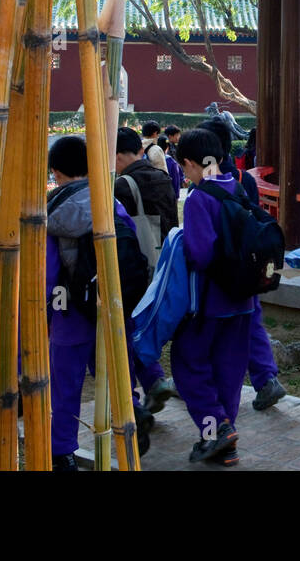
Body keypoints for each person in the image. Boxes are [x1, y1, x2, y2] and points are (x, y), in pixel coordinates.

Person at [46, 135, 153, 470]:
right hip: (112, 304)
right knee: (116, 371)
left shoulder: (51, 212)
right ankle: (130, 413)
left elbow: (48, 272)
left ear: (57, 172)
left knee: (66, 384)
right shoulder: (110, 202)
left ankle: (62, 451)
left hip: (69, 312)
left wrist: (47, 310)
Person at [171, 127, 255, 465]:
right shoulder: (239, 187)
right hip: (244, 300)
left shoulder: (198, 198)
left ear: (190, 163)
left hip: (209, 301)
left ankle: (215, 427)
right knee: (229, 371)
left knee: (188, 363)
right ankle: (226, 441)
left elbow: (202, 255)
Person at [197, 117, 287, 412]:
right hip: (251, 265)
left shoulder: (207, 184)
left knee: (216, 337)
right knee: (252, 320)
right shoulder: (243, 178)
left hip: (223, 272)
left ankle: (213, 398)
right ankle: (266, 378)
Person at [114, 126, 180, 413]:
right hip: (163, 263)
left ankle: (145, 387)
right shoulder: (162, 177)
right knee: (143, 324)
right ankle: (154, 379)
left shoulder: (122, 186)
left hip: (135, 266)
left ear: (116, 155)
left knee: (128, 328)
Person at [162, 125, 184, 197]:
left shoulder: (174, 145)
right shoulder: (168, 147)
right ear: (170, 136)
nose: (179, 137)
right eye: (177, 135)